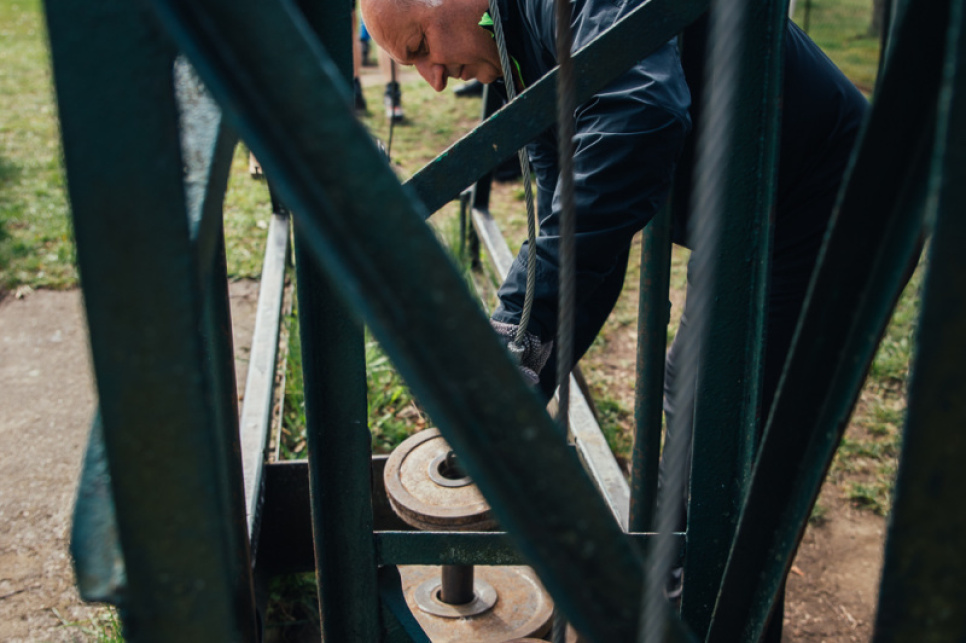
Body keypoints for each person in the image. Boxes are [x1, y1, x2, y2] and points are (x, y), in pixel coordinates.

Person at [361, 0, 866, 633]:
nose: (433, 79)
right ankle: (681, 588)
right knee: (695, 391)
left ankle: (704, 612)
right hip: (752, 213)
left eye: (418, 49)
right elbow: (574, 219)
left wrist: (517, 340)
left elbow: (640, 113)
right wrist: (516, 362)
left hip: (828, 202)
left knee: (725, 415)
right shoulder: (523, 51)